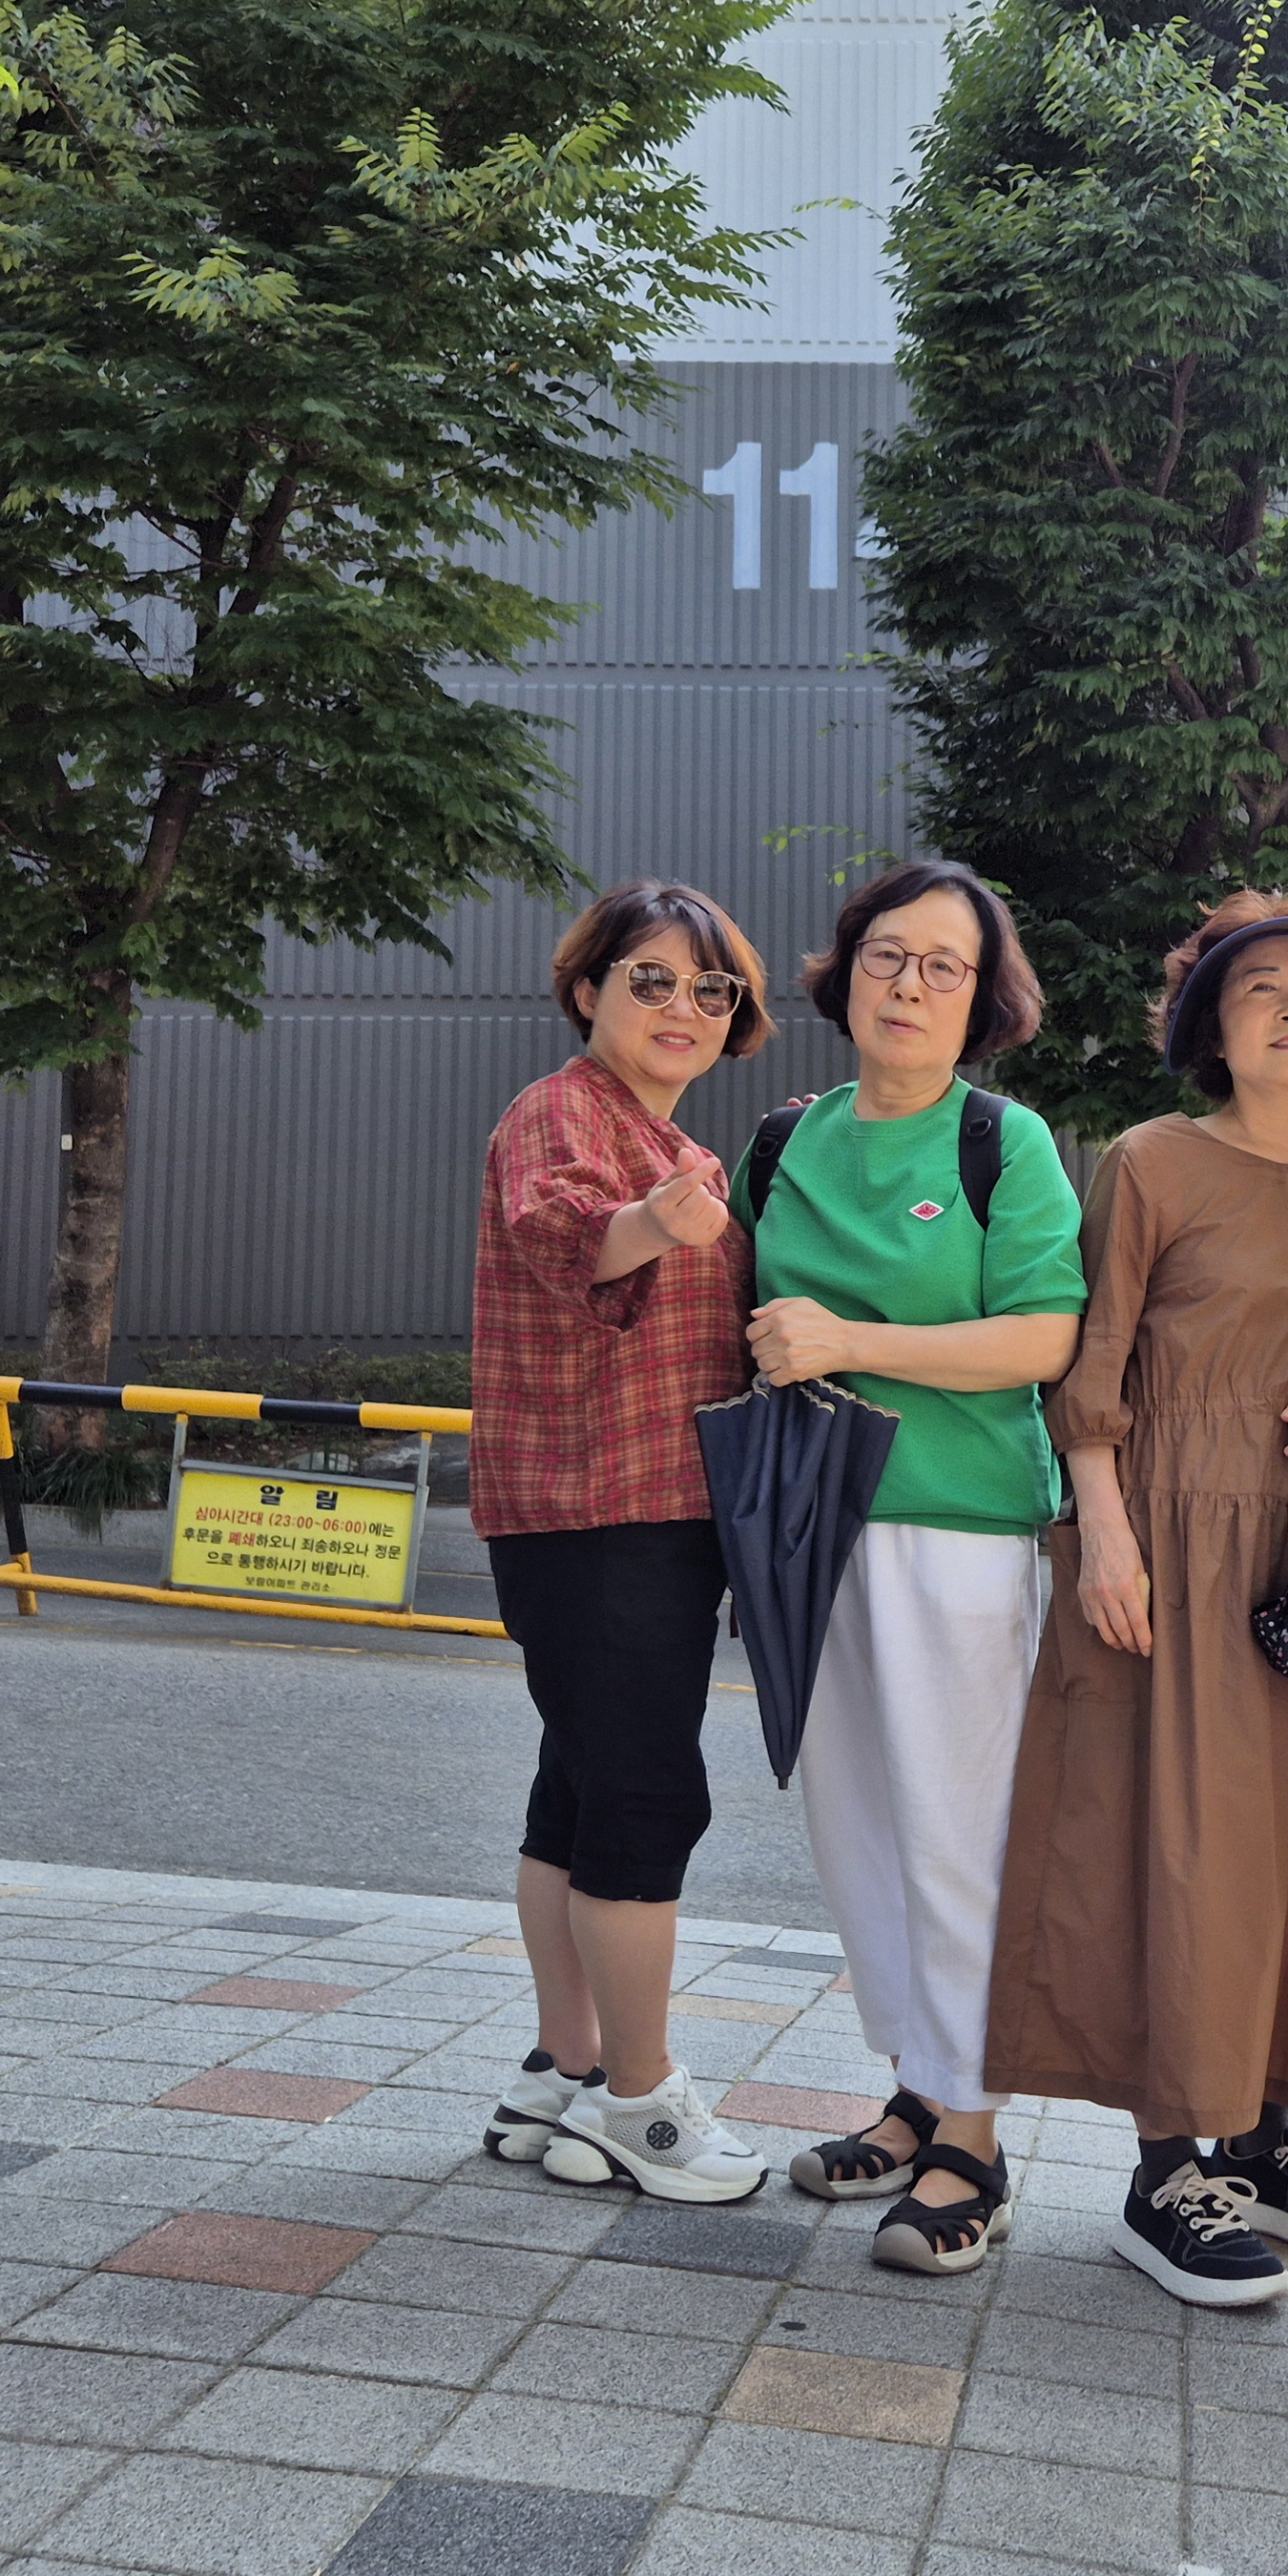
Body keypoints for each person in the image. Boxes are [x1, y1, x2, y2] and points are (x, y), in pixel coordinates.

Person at [986, 894, 1288, 2307]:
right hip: (1162, 1536)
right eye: (1258, 988)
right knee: (1171, 1845)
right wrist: (1103, 1533)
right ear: (1212, 1029)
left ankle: (1267, 2133)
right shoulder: (1153, 1161)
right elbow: (1092, 1358)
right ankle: (1166, 2167)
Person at [741, 861, 1087, 2275]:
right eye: (889, 954)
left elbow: (1045, 1338)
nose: (910, 985)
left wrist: (851, 1342)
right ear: (846, 971)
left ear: (982, 998)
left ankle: (976, 2140)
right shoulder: (784, 1139)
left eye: (947, 965)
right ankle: (916, 2091)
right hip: (809, 1525)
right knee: (861, 1827)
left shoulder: (1004, 1142)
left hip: (961, 1527)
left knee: (957, 1831)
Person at [469, 882, 779, 2203]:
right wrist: (656, 1222)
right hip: (602, 1510)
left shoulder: (673, 1139)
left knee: (582, 1795)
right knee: (648, 1799)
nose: (682, 1008)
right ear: (588, 988)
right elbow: (560, 1237)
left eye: (711, 989)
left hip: (629, 1511)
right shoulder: (563, 1113)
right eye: (650, 979)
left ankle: (565, 2069)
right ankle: (643, 2104)